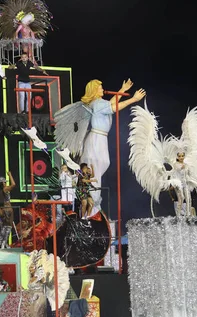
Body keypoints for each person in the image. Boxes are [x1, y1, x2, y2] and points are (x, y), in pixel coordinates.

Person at [54, 79, 146, 217]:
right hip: (96, 139)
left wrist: (122, 90)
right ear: (94, 90)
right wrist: (133, 99)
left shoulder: (99, 104)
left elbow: (111, 104)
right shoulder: (96, 104)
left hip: (100, 138)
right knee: (95, 168)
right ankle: (92, 209)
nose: (103, 90)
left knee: (101, 165)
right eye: (100, 88)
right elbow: (114, 107)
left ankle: (93, 207)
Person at [0, 171, 16, 248]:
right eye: (4, 182)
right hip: (7, 209)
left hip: (1, 210)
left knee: (4, 226)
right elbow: (13, 184)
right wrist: (10, 175)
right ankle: (3, 243)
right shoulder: (5, 189)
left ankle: (0, 243)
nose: (6, 183)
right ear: (2, 183)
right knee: (8, 227)